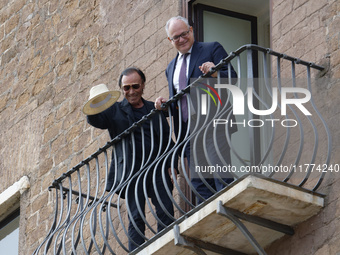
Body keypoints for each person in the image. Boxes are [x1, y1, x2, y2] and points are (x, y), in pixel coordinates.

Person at [87, 67, 177, 251]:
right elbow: (96, 120)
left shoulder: (154, 108)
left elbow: (167, 138)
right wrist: (96, 102)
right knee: (136, 217)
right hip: (131, 172)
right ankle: (137, 251)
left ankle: (167, 248)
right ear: (121, 89)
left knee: (165, 209)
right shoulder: (115, 110)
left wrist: (172, 164)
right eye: (126, 88)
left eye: (135, 86)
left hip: (157, 167)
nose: (131, 91)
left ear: (143, 85)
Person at [155, 16, 238, 203]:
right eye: (176, 37)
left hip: (213, 122)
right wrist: (164, 105)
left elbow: (233, 78)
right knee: (200, 183)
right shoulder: (170, 68)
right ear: (170, 41)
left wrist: (215, 72)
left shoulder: (211, 48)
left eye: (184, 34)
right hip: (188, 131)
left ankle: (229, 210)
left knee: (220, 172)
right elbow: (180, 100)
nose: (181, 39)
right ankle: (211, 225)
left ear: (191, 30)